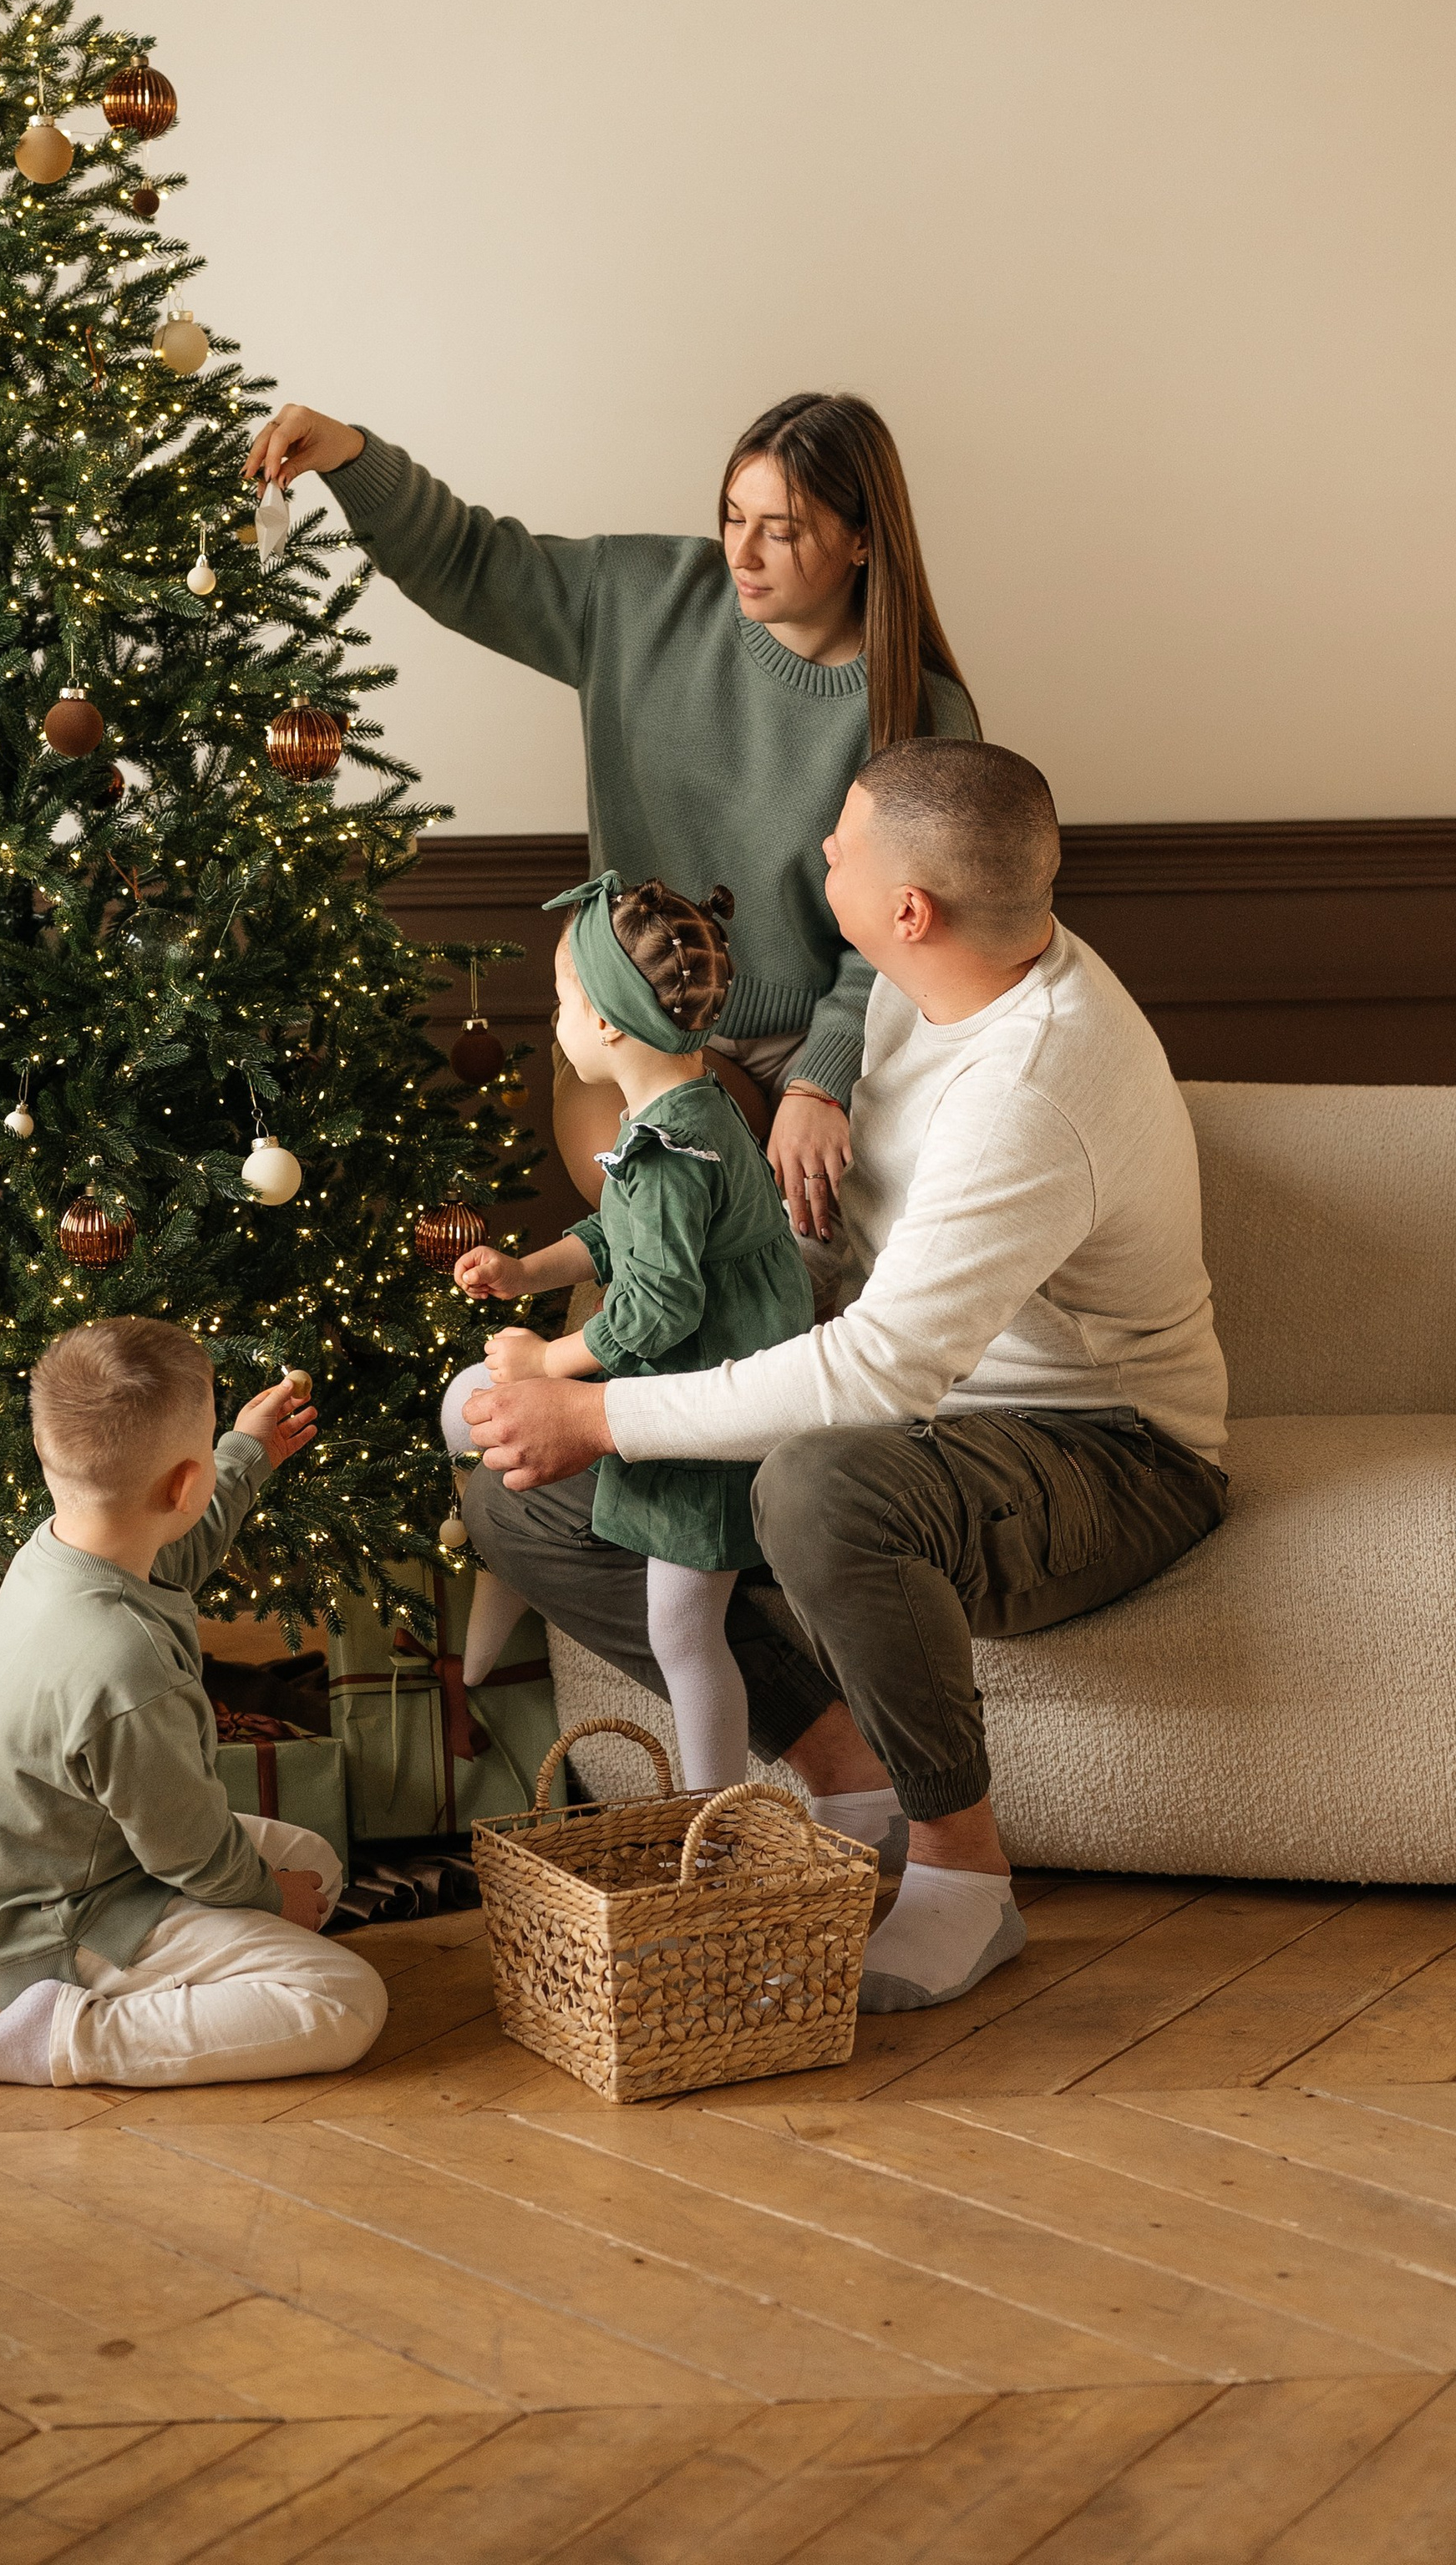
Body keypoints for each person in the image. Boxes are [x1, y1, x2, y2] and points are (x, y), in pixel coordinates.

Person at [462, 740, 1230, 2014]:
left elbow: (877, 1373)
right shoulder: (914, 982)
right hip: (919, 1415)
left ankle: (964, 1876)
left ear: (910, 910)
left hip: (1108, 1447)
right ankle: (848, 1773)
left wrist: (599, 1409)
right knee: (517, 1497)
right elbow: (830, 1257)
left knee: (821, 1487)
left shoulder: (1033, 1084)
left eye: (841, 848)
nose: (820, 857)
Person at [243, 389, 977, 1245]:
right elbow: (471, 563)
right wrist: (348, 453)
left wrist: (819, 1083)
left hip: (827, 1043)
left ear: (861, 539)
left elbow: (900, 942)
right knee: (669, 1196)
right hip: (636, 1021)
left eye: (780, 528)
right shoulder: (643, 597)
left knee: (797, 1236)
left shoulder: (919, 715)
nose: (741, 551)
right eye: (732, 515)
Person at [0, 1318, 387, 2090]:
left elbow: (177, 1551)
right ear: (181, 1486)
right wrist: (266, 1897)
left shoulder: (62, 1550)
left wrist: (243, 1452)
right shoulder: (124, 1666)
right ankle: (66, 2034)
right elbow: (190, 1852)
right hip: (53, 1929)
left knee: (316, 1862)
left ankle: (200, 1978)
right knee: (346, 1997)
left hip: (59, 1867)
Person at [444, 874, 814, 1794]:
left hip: (706, 1421)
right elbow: (623, 1234)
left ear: (606, 1022)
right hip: (712, 1387)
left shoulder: (664, 1150)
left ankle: (712, 1822)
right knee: (676, 1629)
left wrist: (548, 1362)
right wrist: (528, 1273)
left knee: (683, 1636)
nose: (557, 1017)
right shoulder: (693, 1110)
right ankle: (711, 1810)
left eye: (564, 998)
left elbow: (657, 1308)